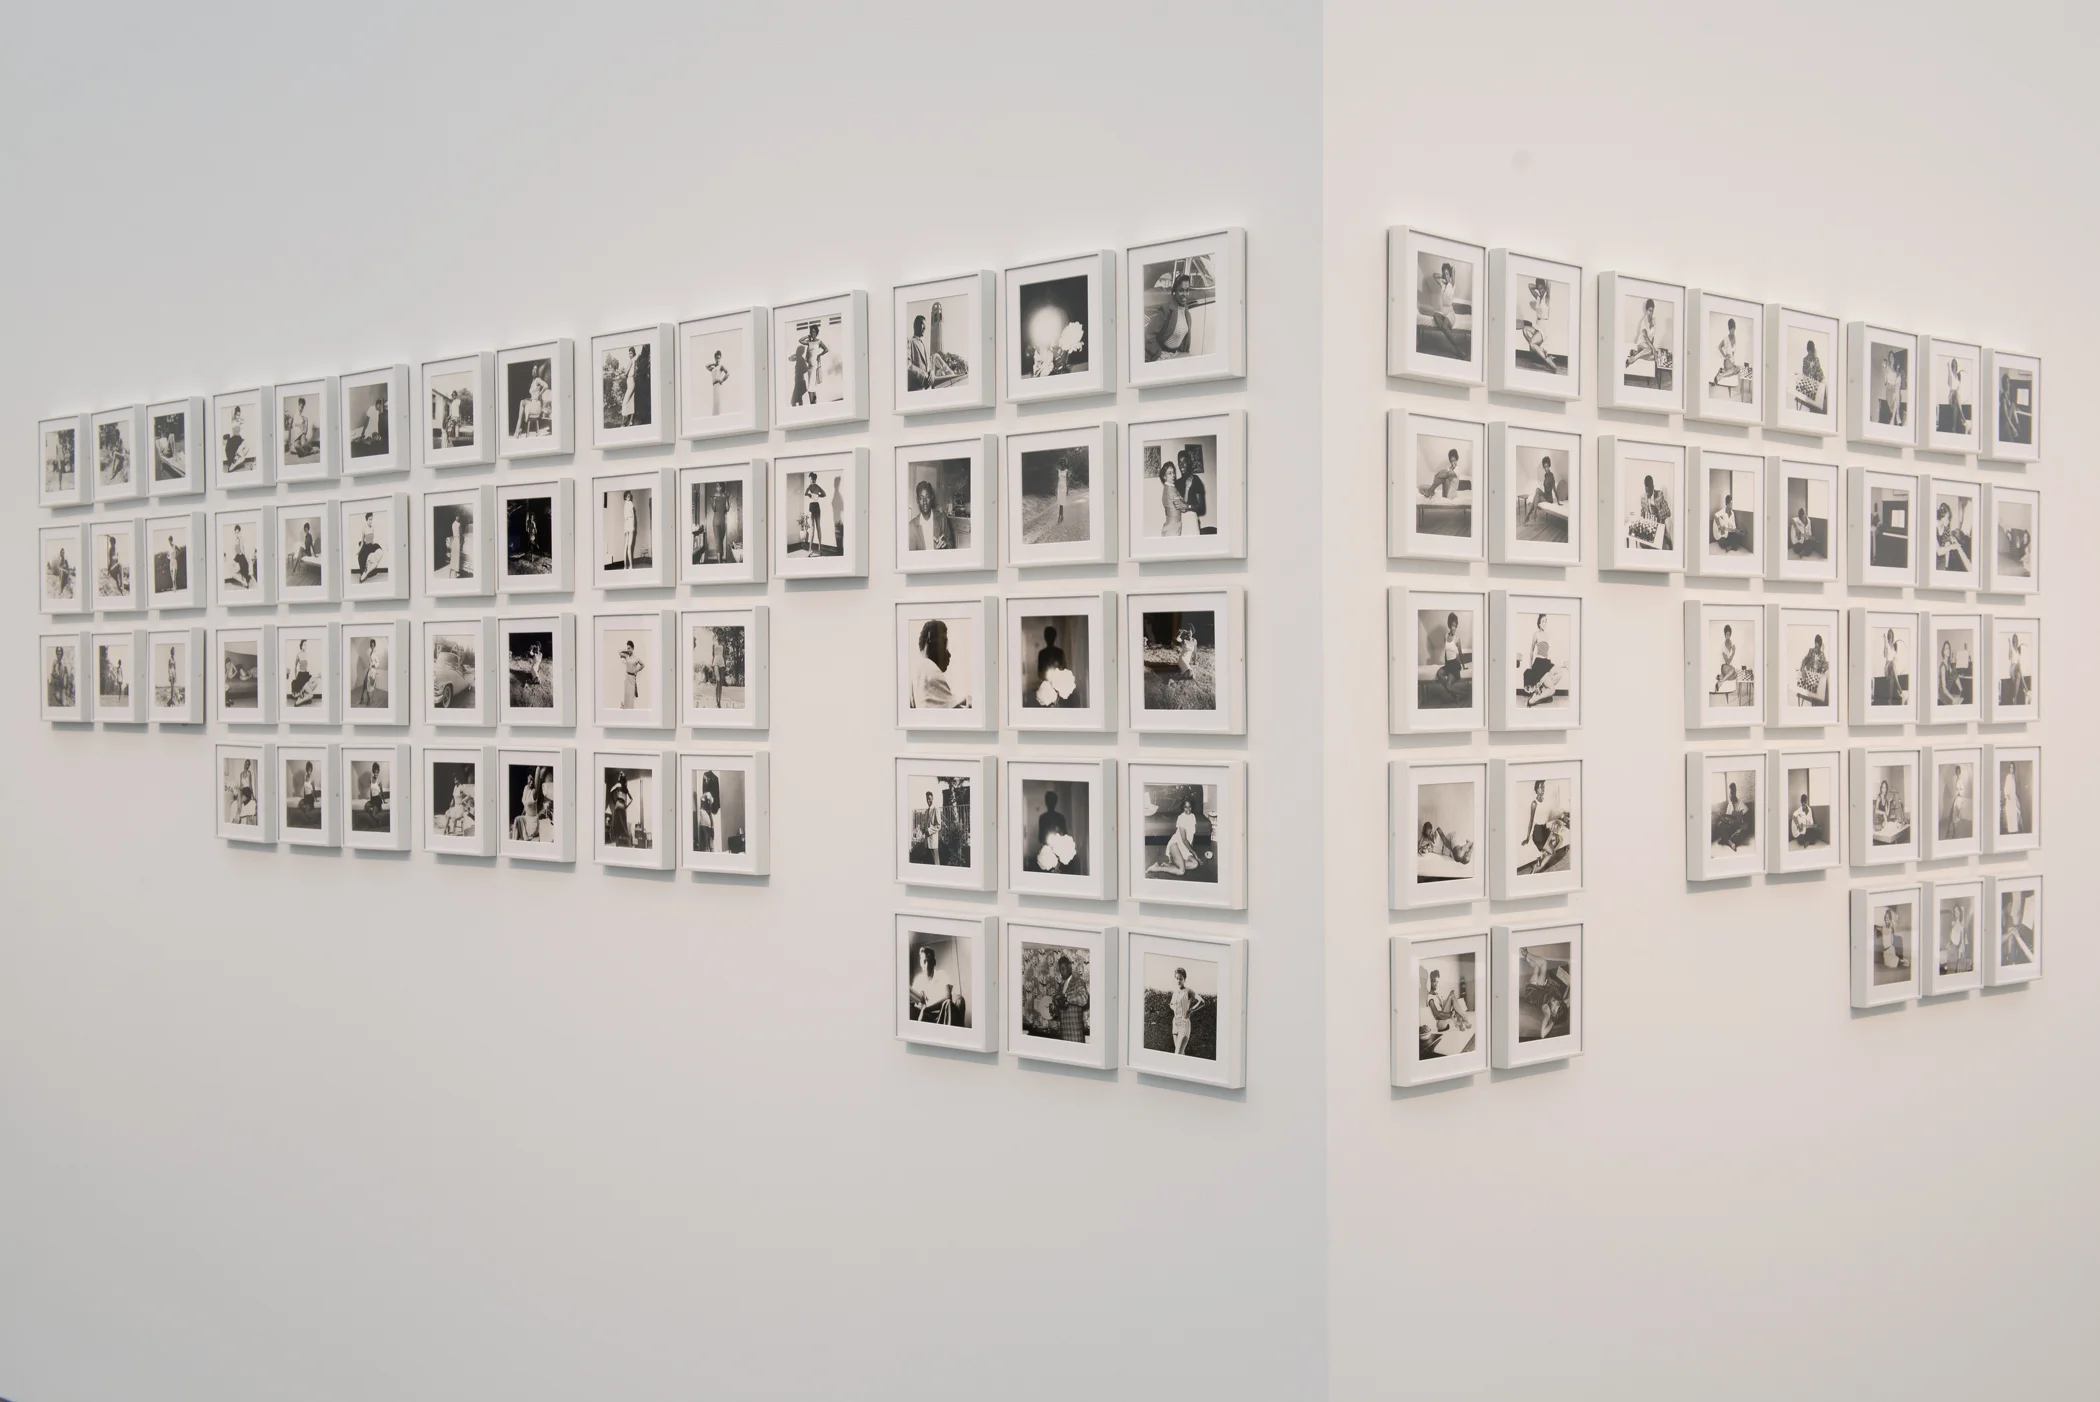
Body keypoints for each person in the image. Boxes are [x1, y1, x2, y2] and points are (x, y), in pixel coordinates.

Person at [909, 618, 964, 709]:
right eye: (944, 643)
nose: (949, 654)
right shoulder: (927, 667)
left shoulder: (917, 671)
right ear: (930, 638)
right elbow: (955, 714)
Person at [1520, 947, 1569, 1039]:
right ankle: (1527, 958)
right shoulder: (1558, 1004)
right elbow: (1567, 1000)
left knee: (1543, 964)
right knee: (1538, 966)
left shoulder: (1547, 1013)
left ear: (1554, 1014)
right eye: (1558, 1003)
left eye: (1555, 1007)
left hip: (1533, 991)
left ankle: (1526, 954)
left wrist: (1553, 1022)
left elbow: (1543, 1034)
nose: (1556, 1002)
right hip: (1541, 987)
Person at [1419, 259, 1464, 357]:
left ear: (1450, 275)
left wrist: (1449, 272)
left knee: (1443, 326)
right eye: (1444, 274)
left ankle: (1458, 349)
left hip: (1450, 313)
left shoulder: (1452, 285)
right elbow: (1434, 275)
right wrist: (1442, 276)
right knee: (1435, 315)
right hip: (1442, 313)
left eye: (1447, 274)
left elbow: (1454, 269)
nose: (1446, 276)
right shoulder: (1442, 284)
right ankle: (1448, 332)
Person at [1146, 272, 1196, 360]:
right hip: (1163, 355)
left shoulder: (1186, 311)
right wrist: (1158, 353)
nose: (1185, 294)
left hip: (1176, 353)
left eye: (1187, 290)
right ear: (1175, 291)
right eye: (1181, 290)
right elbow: (1148, 335)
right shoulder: (1166, 310)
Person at [1150, 795, 1203, 876]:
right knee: (1181, 871)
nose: (1188, 809)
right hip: (1175, 844)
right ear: (1182, 807)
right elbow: (1184, 839)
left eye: (1189, 807)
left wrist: (1192, 853)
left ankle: (1172, 864)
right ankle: (1157, 868)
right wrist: (1195, 853)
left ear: (1192, 806)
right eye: (1185, 807)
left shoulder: (1193, 817)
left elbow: (1191, 836)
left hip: (1184, 848)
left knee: (1195, 864)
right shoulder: (1181, 818)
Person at [909, 945, 961, 1024]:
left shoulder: (942, 974)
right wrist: (917, 999)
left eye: (929, 961)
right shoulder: (918, 980)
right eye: (924, 961)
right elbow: (912, 1001)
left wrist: (926, 1009)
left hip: (941, 1014)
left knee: (948, 1003)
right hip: (926, 1017)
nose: (927, 965)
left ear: (934, 962)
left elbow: (948, 997)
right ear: (920, 963)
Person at [1523, 779, 1567, 872]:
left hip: (1544, 829)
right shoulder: (1534, 803)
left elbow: (1547, 816)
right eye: (1541, 787)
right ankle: (1536, 870)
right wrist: (1527, 838)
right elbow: (1531, 822)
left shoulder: (1544, 800)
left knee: (1559, 839)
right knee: (1552, 853)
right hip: (1538, 833)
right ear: (1536, 789)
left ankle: (1542, 856)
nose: (1543, 789)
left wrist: (1558, 819)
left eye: (1543, 787)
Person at [1166, 966, 1206, 1056]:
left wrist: (1191, 1010)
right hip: (1175, 1024)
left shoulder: (1188, 991)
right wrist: (1174, 1008)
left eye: (1181, 979)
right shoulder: (1175, 992)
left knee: (1177, 1054)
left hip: (1184, 1024)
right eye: (1177, 978)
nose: (1179, 981)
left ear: (1184, 979)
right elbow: (1171, 1004)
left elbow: (1202, 1001)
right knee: (1181, 1054)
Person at [1517, 277, 1554, 369]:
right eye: (1539, 289)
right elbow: (1530, 286)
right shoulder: (1538, 298)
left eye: (1542, 289)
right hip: (1538, 326)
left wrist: (1543, 286)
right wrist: (1538, 286)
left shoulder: (1547, 298)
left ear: (1545, 288)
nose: (1540, 291)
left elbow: (1549, 282)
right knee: (1525, 329)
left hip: (1544, 328)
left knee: (1532, 343)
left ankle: (1548, 360)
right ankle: (1540, 350)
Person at [908, 479, 954, 551]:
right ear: (917, 500)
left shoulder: (942, 518)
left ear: (932, 497)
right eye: (921, 498)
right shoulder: (912, 527)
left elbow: (951, 544)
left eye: (927, 497)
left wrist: (946, 546)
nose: (925, 501)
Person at [1520, 613, 1556, 704]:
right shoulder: (1536, 634)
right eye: (1543, 621)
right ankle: (1534, 699)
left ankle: (1542, 689)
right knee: (1552, 689)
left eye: (1546, 621)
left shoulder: (1547, 635)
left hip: (1546, 661)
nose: (1544, 623)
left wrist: (1549, 668)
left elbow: (1547, 652)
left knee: (1559, 673)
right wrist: (1530, 666)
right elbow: (1531, 651)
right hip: (1539, 663)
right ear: (1539, 623)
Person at [790, 322, 827, 407]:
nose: (812, 333)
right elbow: (800, 340)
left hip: (814, 367)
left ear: (816, 332)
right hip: (810, 368)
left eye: (814, 331)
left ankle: (812, 405)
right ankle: (814, 405)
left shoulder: (819, 342)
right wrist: (807, 336)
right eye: (811, 331)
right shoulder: (809, 342)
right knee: (812, 388)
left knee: (810, 388)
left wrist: (819, 355)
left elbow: (826, 349)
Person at [1052, 954, 1088, 1042]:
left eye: (1063, 969)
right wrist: (1053, 1010)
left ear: (1069, 966)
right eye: (1060, 970)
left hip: (1075, 1035)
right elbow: (1060, 1012)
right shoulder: (1060, 987)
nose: (1062, 972)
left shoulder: (1078, 982)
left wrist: (1065, 997)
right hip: (1063, 1035)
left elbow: (1084, 999)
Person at [1624, 297, 1661, 377]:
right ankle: (1632, 360)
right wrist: (1652, 348)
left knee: (1654, 357)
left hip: (1648, 345)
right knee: (1650, 349)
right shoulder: (1644, 321)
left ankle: (1636, 355)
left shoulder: (1654, 320)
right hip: (1641, 343)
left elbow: (1652, 336)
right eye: (1649, 311)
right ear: (1646, 310)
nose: (1651, 313)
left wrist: (1653, 349)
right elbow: (1646, 337)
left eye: (1652, 311)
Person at [1434, 611, 1465, 700]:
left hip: (1455, 665)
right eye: (1452, 625)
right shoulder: (1445, 636)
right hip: (1448, 665)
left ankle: (1460, 694)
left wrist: (1463, 666)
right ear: (1449, 626)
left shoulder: (1457, 639)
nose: (1453, 628)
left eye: (1455, 625)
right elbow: (1446, 652)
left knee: (1448, 686)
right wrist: (1445, 664)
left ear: (1456, 626)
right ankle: (1456, 694)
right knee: (1439, 674)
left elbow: (1460, 653)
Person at [514, 363, 550, 437]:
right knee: (523, 401)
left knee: (522, 402)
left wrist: (539, 394)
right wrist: (529, 399)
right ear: (531, 370)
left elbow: (546, 386)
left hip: (536, 405)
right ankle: (518, 429)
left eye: (536, 370)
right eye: (533, 369)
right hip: (533, 403)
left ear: (537, 372)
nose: (534, 371)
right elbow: (533, 395)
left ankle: (518, 429)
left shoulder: (538, 380)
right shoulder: (532, 382)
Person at [1714, 781, 1751, 850]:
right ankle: (1730, 842)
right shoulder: (1729, 805)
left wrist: (1739, 815)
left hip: (1738, 828)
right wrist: (1723, 817)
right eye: (1729, 794)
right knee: (1720, 824)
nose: (1730, 796)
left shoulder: (1741, 804)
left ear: (1735, 793)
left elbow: (1745, 820)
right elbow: (1728, 820)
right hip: (1731, 827)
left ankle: (1726, 839)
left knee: (1738, 835)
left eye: (1731, 793)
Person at [1520, 454, 1557, 524]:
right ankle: (1533, 514)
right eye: (1545, 467)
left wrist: (1558, 502)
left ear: (1549, 465)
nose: (1546, 468)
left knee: (1535, 498)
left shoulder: (1551, 476)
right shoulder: (1545, 475)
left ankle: (1528, 516)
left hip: (1549, 499)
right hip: (1545, 495)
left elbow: (1554, 489)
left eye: (1547, 466)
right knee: (1537, 490)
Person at [1710, 317, 1742, 395]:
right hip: (1727, 361)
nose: (1732, 331)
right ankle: (1718, 377)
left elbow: (1734, 352)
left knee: (1738, 369)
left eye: (1734, 329)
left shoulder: (1735, 337)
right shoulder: (1726, 338)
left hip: (1732, 361)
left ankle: (1722, 373)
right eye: (1731, 330)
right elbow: (1719, 347)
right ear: (1729, 329)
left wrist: (1734, 362)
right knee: (1733, 370)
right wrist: (1725, 356)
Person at [1794, 338, 1825, 412]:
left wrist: (1818, 379)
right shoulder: (1808, 359)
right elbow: (1806, 373)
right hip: (1810, 385)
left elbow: (1818, 373)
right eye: (1810, 350)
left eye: (1811, 350)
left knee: (1818, 392)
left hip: (1813, 385)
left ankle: (1813, 407)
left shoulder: (1813, 359)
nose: (1810, 352)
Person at [604, 770, 632, 846]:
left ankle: (617, 844)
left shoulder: (617, 786)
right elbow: (631, 799)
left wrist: (615, 802)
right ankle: (626, 842)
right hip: (623, 806)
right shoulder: (625, 788)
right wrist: (626, 806)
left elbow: (610, 792)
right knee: (623, 824)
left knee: (616, 825)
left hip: (617, 804)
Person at [801, 474, 827, 555]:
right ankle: (819, 549)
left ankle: (811, 549)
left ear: (813, 479)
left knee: (813, 529)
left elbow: (805, 493)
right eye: (810, 479)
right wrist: (817, 495)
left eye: (811, 479)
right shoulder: (818, 487)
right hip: (816, 506)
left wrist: (810, 494)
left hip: (812, 506)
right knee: (817, 528)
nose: (810, 480)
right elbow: (824, 494)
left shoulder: (810, 486)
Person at [354, 513, 381, 582]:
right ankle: (364, 574)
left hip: (371, 546)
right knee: (361, 557)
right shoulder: (364, 529)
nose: (371, 521)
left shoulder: (372, 527)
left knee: (378, 551)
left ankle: (370, 571)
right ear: (366, 520)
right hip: (366, 546)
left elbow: (372, 540)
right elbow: (362, 541)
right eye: (369, 519)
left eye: (372, 519)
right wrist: (359, 550)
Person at [1937, 638, 1964, 707]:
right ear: (1943, 651)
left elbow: (1955, 676)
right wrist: (1953, 699)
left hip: (1947, 689)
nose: (1948, 650)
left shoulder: (1948, 664)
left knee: (1954, 671)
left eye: (1949, 648)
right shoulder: (1943, 667)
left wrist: (1961, 689)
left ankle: (1961, 691)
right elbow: (1944, 689)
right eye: (1946, 648)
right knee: (1954, 703)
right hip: (1942, 693)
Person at [1881, 627, 1903, 706]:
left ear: (1893, 635)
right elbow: (1885, 655)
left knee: (1892, 677)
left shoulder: (1893, 646)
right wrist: (1884, 640)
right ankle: (1900, 689)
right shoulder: (1886, 644)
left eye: (1891, 634)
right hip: (1887, 666)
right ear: (1888, 635)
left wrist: (1896, 653)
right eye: (1889, 634)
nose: (1890, 635)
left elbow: (1895, 658)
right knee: (1892, 664)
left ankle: (1890, 700)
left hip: (1892, 667)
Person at [620, 640, 644, 709]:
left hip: (632, 678)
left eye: (629, 648)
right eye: (627, 648)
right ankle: (625, 709)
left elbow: (643, 665)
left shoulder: (636, 658)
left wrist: (637, 670)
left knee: (631, 697)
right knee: (626, 696)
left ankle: (630, 711)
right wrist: (626, 650)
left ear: (633, 648)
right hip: (627, 678)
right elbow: (619, 652)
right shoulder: (627, 656)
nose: (628, 650)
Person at [2000, 765, 2023, 835]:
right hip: (2009, 799)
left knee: (2016, 814)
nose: (2011, 769)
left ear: (2014, 769)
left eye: (2012, 768)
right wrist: (2007, 795)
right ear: (2009, 769)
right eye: (2010, 768)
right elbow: (2005, 788)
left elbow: (2014, 789)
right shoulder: (2008, 776)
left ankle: (2015, 830)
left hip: (2013, 798)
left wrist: (2015, 798)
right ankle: (2010, 831)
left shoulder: (2013, 777)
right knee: (2010, 815)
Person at [706, 350, 729, 416]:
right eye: (716, 358)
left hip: (718, 385)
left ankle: (720, 416)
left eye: (719, 358)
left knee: (719, 403)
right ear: (715, 358)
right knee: (715, 403)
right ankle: (715, 416)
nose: (717, 359)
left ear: (720, 358)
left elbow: (727, 373)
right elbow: (706, 366)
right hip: (714, 386)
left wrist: (722, 380)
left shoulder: (721, 366)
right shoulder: (713, 368)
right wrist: (713, 364)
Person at [620, 490, 638, 570]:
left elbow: (625, 517)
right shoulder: (630, 503)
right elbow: (633, 516)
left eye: (629, 496)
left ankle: (625, 566)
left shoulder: (625, 504)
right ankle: (630, 566)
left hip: (626, 525)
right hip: (629, 524)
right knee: (629, 547)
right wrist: (633, 526)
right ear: (625, 497)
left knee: (626, 547)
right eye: (628, 496)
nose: (629, 497)